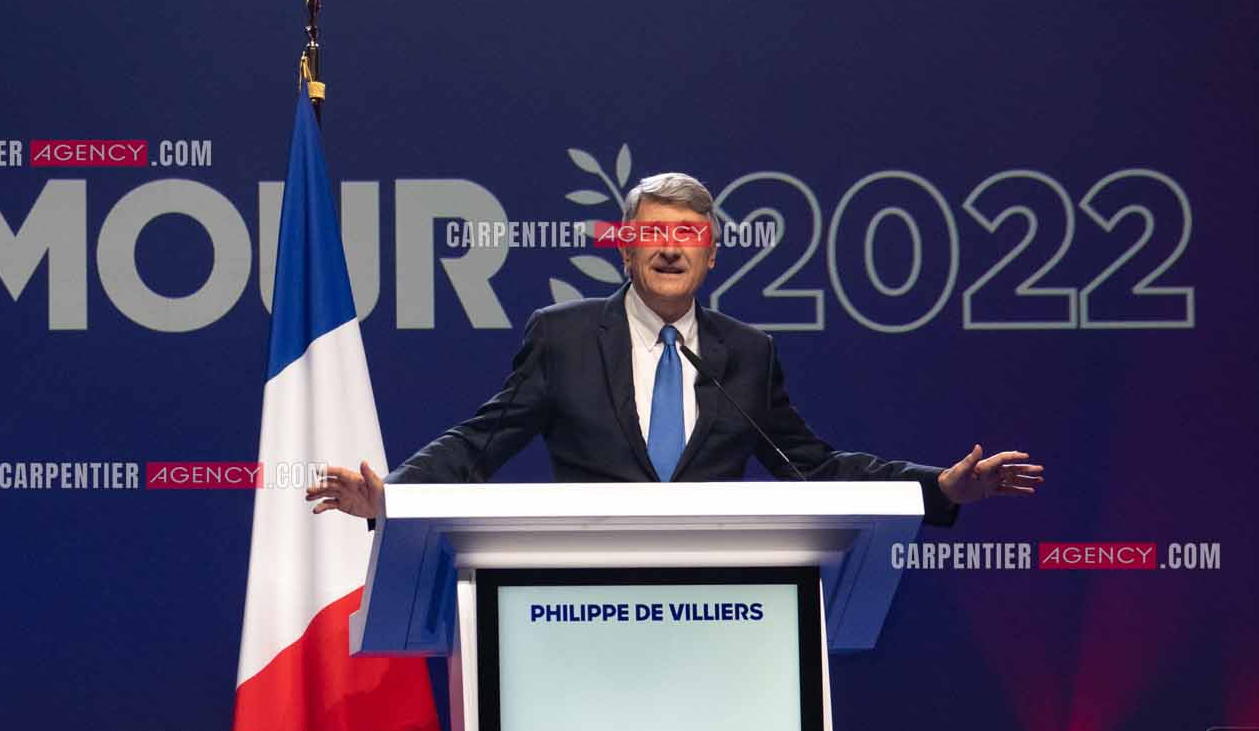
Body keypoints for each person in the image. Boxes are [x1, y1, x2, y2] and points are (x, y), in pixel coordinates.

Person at [308, 172, 1041, 523]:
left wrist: (936, 487)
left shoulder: (747, 354)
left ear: (712, 255)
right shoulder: (563, 338)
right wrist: (393, 496)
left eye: (686, 237)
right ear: (626, 252)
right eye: (652, 235)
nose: (668, 251)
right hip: (581, 600)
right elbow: (479, 445)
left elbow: (814, 467)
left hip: (715, 601)